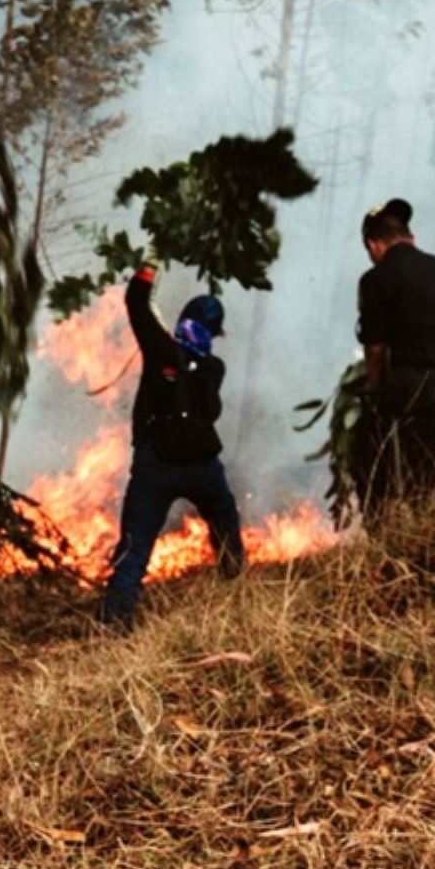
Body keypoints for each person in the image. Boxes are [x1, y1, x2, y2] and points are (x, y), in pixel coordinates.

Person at [100, 262, 245, 629]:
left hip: (156, 468)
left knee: (134, 548)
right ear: (216, 333)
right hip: (203, 468)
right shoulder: (214, 368)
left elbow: (136, 302)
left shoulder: (163, 352)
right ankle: (240, 595)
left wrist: (149, 264)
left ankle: (115, 621)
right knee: (226, 524)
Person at [355, 198, 435, 508]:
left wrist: (375, 390)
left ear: (373, 245)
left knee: (418, 473)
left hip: (418, 388)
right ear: (411, 237)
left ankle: (424, 540)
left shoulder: (376, 280)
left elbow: (376, 346)